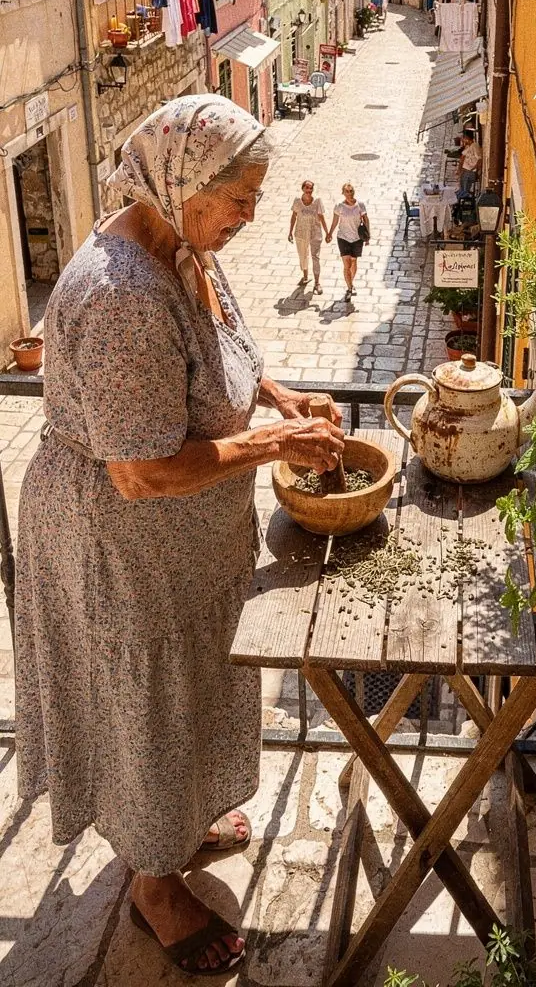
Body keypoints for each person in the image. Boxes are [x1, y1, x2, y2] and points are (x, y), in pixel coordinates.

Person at [15, 95, 344, 977]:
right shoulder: (122, 295)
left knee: (190, 687)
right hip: (121, 546)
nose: (250, 214)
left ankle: (180, 821)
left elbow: (227, 347)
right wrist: (279, 441)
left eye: (254, 195)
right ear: (182, 180)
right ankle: (154, 886)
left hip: (184, 546)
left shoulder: (187, 246)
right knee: (148, 705)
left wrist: (279, 399)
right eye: (237, 195)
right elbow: (143, 471)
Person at [327, 182, 369, 302]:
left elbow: (366, 219)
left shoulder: (360, 205)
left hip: (357, 238)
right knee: (347, 265)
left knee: (353, 262)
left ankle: (351, 281)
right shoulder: (339, 206)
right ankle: (349, 288)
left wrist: (368, 236)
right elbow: (335, 221)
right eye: (347, 191)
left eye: (351, 191)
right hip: (343, 238)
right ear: (343, 193)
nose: (349, 193)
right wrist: (330, 233)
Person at [288, 180, 329, 293]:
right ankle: (305, 276)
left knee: (315, 257)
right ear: (303, 189)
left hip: (315, 233)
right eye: (307, 188)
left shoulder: (317, 201)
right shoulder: (297, 201)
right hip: (301, 232)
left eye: (311, 188)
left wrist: (327, 232)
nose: (309, 191)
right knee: (303, 256)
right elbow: (293, 216)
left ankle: (317, 283)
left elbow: (321, 217)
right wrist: (290, 231)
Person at [457, 129, 482, 201]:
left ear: (467, 138)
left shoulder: (475, 146)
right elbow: (463, 156)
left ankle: (464, 199)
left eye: (464, 138)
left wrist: (474, 169)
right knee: (460, 189)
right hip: (466, 171)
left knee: (464, 190)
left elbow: (479, 159)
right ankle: (460, 198)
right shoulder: (468, 146)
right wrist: (460, 169)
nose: (463, 140)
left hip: (470, 172)